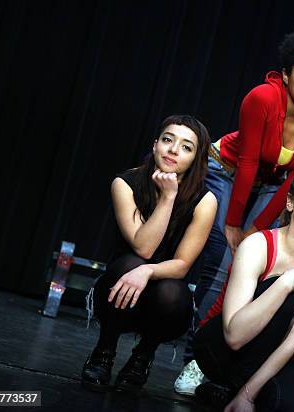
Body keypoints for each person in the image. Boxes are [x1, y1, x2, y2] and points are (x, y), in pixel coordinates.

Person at [175, 25, 294, 394]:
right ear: (286, 75)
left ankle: (229, 358)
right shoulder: (262, 98)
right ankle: (197, 358)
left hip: (276, 183)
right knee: (223, 261)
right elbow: (250, 161)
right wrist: (237, 225)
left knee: (252, 258)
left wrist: (260, 228)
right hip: (229, 169)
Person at [192, 166, 294, 411]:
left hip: (268, 352)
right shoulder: (257, 245)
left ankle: (231, 393)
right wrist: (286, 282)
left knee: (293, 406)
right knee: (282, 291)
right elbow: (234, 336)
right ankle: (222, 386)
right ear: (290, 203)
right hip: (219, 347)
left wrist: (248, 395)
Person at [81, 115, 217, 393]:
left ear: (195, 159)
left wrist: (148, 271)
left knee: (172, 292)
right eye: (168, 140)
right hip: (119, 290)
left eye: (186, 147)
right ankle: (104, 350)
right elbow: (144, 248)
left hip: (164, 296)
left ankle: (143, 356)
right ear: (155, 144)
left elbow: (181, 265)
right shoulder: (125, 182)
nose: (173, 150)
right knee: (131, 263)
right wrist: (167, 198)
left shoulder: (205, 200)